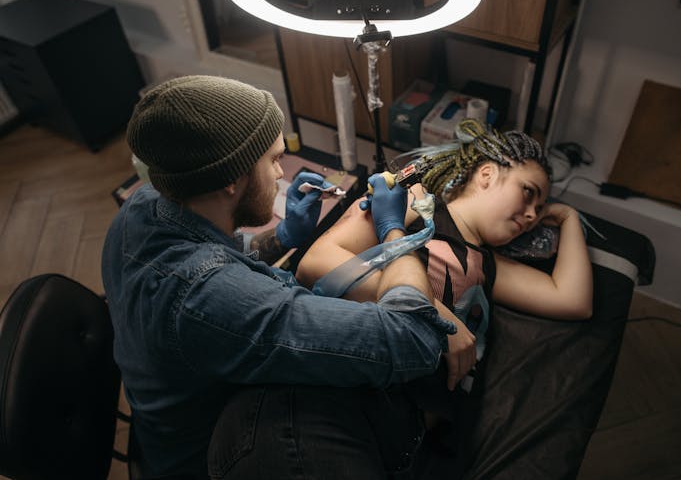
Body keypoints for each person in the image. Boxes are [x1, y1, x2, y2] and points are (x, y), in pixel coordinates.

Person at [101, 75, 457, 479]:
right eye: (273, 160)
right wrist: (395, 231)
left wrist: (283, 237)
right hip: (212, 458)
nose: (279, 175)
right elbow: (413, 340)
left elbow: (219, 255)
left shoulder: (146, 205)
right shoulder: (208, 299)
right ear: (229, 180)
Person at [296, 119, 593, 476]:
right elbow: (316, 263)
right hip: (361, 399)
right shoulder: (415, 205)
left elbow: (574, 301)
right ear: (486, 174)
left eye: (541, 209)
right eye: (528, 192)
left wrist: (569, 216)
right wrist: (431, 314)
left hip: (420, 438)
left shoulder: (490, 266)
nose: (532, 215)